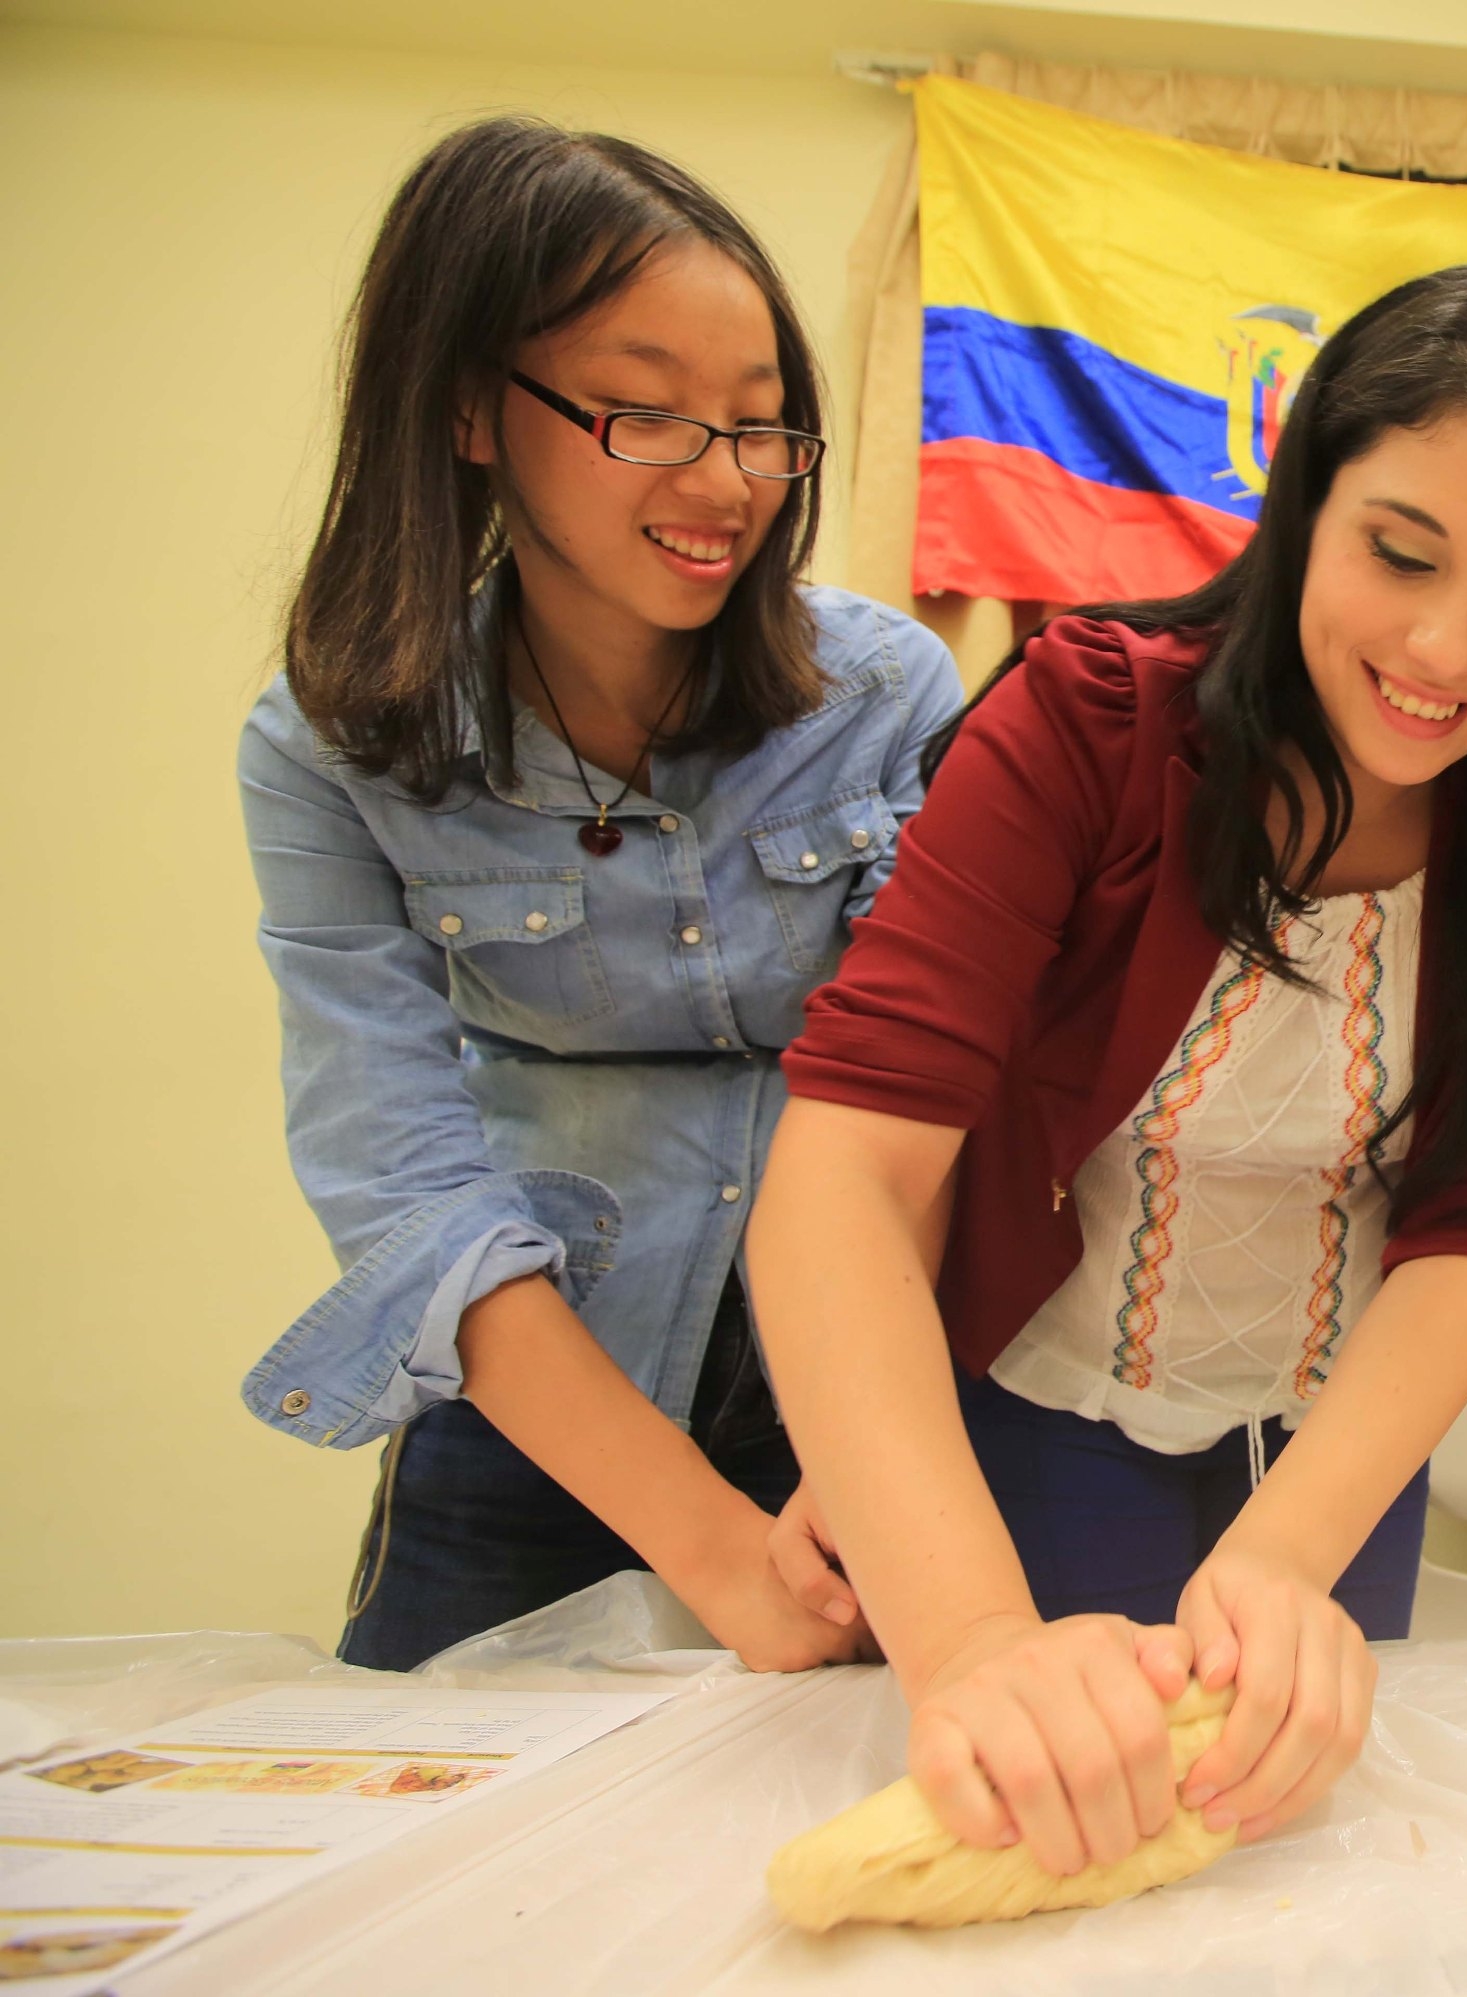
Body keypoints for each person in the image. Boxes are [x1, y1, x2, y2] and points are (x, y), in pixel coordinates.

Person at [743, 264, 1467, 1880]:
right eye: (1400, 555)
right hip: (1043, 1418)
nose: (1442, 647)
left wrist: (1286, 1561)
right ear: (1301, 504)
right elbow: (846, 1172)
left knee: (1300, 1872)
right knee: (1042, 1842)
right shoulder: (1085, 732)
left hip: (1337, 1459)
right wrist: (973, 1628)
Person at [237, 117, 961, 1670]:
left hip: (857, 1408)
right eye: (647, 415)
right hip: (541, 1424)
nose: (728, 484)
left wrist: (877, 1440)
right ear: (468, 407)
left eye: (762, 426)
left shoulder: (885, 691)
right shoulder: (331, 750)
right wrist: (707, 1549)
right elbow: (407, 1189)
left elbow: (950, 1080)